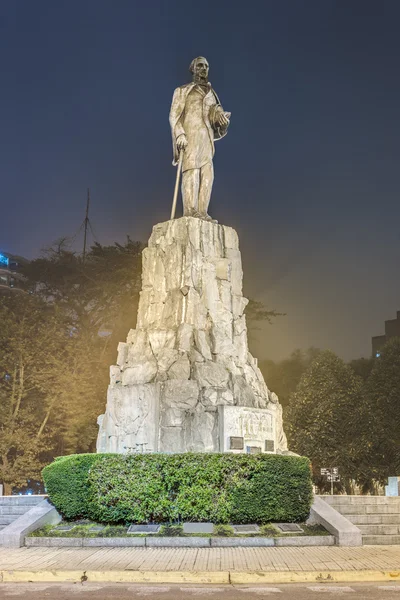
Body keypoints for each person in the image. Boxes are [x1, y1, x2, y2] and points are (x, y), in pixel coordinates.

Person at [169, 57, 231, 221]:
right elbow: (174, 116)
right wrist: (180, 134)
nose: (204, 68)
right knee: (192, 171)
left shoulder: (212, 94)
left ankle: (203, 212)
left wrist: (222, 122)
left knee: (207, 175)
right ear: (193, 69)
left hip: (207, 139)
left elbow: (216, 121)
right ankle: (191, 211)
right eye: (200, 66)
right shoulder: (182, 91)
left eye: (206, 66)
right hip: (190, 136)